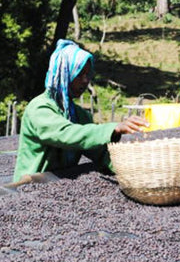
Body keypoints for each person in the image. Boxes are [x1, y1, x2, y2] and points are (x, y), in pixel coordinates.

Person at [13, 39, 148, 183]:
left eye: (87, 75)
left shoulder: (79, 115)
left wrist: (134, 171)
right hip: (28, 186)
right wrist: (113, 128)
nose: (85, 81)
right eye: (79, 74)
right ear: (64, 74)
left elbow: (100, 153)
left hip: (60, 184)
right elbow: (67, 134)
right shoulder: (39, 108)